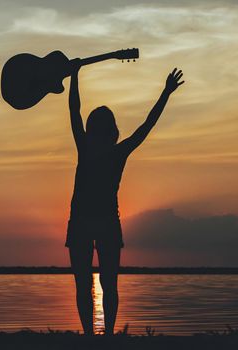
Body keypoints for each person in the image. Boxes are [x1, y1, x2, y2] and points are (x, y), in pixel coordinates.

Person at [66, 61, 184, 335]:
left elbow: (74, 111)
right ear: (112, 130)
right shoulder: (115, 151)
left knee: (85, 283)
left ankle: (92, 335)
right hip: (100, 222)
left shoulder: (88, 147)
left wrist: (74, 76)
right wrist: (165, 93)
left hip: (88, 222)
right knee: (107, 282)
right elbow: (146, 126)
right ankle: (104, 334)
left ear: (93, 128)